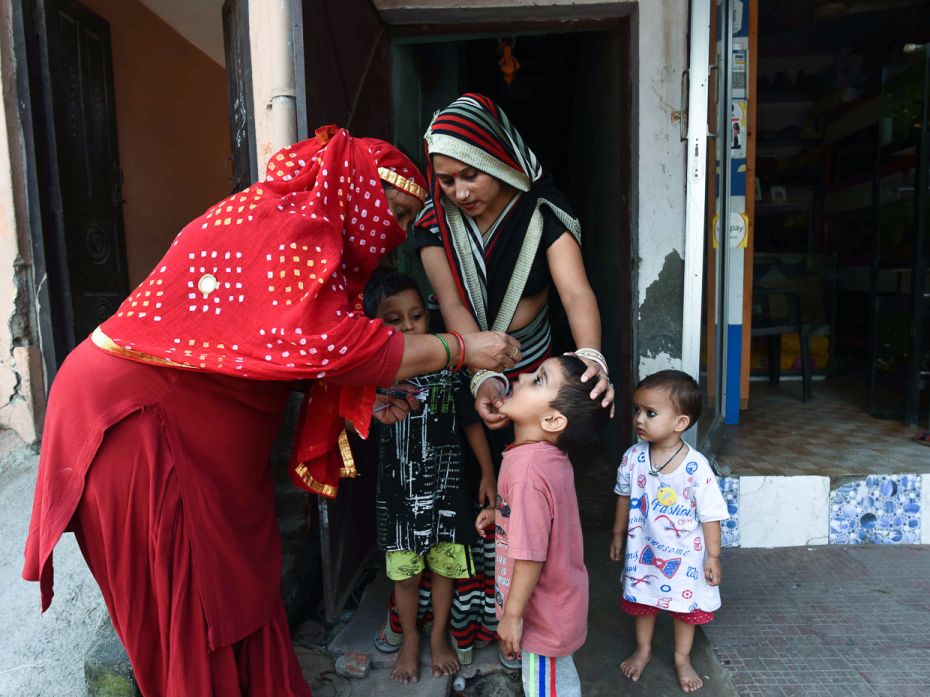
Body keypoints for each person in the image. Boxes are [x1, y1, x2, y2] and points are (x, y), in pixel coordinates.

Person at [22, 126, 521, 697]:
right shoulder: (286, 230)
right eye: (400, 214)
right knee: (198, 604)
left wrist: (375, 396)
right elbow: (341, 348)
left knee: (239, 583)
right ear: (359, 190)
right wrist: (463, 349)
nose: (398, 235)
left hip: (184, 431)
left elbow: (309, 352)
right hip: (140, 430)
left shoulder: (300, 229)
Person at [413, 92, 614, 430]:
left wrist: (591, 355)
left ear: (496, 160)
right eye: (446, 181)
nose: (459, 193)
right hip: (468, 366)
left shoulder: (543, 212)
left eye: (470, 175)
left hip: (536, 373)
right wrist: (484, 376)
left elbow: (575, 293)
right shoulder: (435, 224)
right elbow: (452, 304)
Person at [363, 270, 496, 684]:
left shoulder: (447, 369)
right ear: (372, 327)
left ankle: (438, 637)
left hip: (447, 491)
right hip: (398, 496)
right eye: (394, 320)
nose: (408, 326)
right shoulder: (372, 379)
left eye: (417, 316)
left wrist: (489, 473)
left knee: (443, 569)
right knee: (404, 574)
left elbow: (471, 424)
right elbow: (351, 425)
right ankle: (409, 642)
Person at [475, 355, 610, 697]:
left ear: (552, 419)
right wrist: (502, 514)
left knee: (547, 689)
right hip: (557, 607)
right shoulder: (543, 459)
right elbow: (545, 520)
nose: (520, 377)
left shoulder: (527, 473)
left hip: (541, 619)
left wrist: (513, 616)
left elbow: (532, 554)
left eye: (537, 379)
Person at [609, 370, 728, 693]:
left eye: (650, 412)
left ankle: (681, 657)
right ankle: (643, 649)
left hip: (687, 556)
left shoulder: (696, 467)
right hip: (644, 549)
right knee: (644, 600)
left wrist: (713, 557)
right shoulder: (633, 458)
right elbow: (624, 496)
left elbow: (711, 516)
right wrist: (619, 534)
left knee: (683, 608)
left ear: (680, 423)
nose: (639, 419)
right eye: (637, 410)